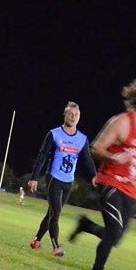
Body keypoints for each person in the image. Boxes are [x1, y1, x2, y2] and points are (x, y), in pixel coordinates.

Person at [68, 78, 136, 270]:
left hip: (133, 188)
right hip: (110, 182)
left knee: (115, 238)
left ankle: (86, 225)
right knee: (114, 232)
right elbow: (95, 148)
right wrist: (114, 158)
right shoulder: (122, 122)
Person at [25, 102, 98, 257]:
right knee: (56, 213)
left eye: (76, 115)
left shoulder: (82, 139)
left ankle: (36, 240)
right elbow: (42, 156)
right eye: (70, 114)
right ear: (64, 115)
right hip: (54, 179)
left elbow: (87, 159)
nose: (73, 117)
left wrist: (94, 176)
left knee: (52, 213)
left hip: (68, 182)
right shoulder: (54, 134)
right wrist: (34, 178)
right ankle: (56, 247)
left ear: (79, 118)